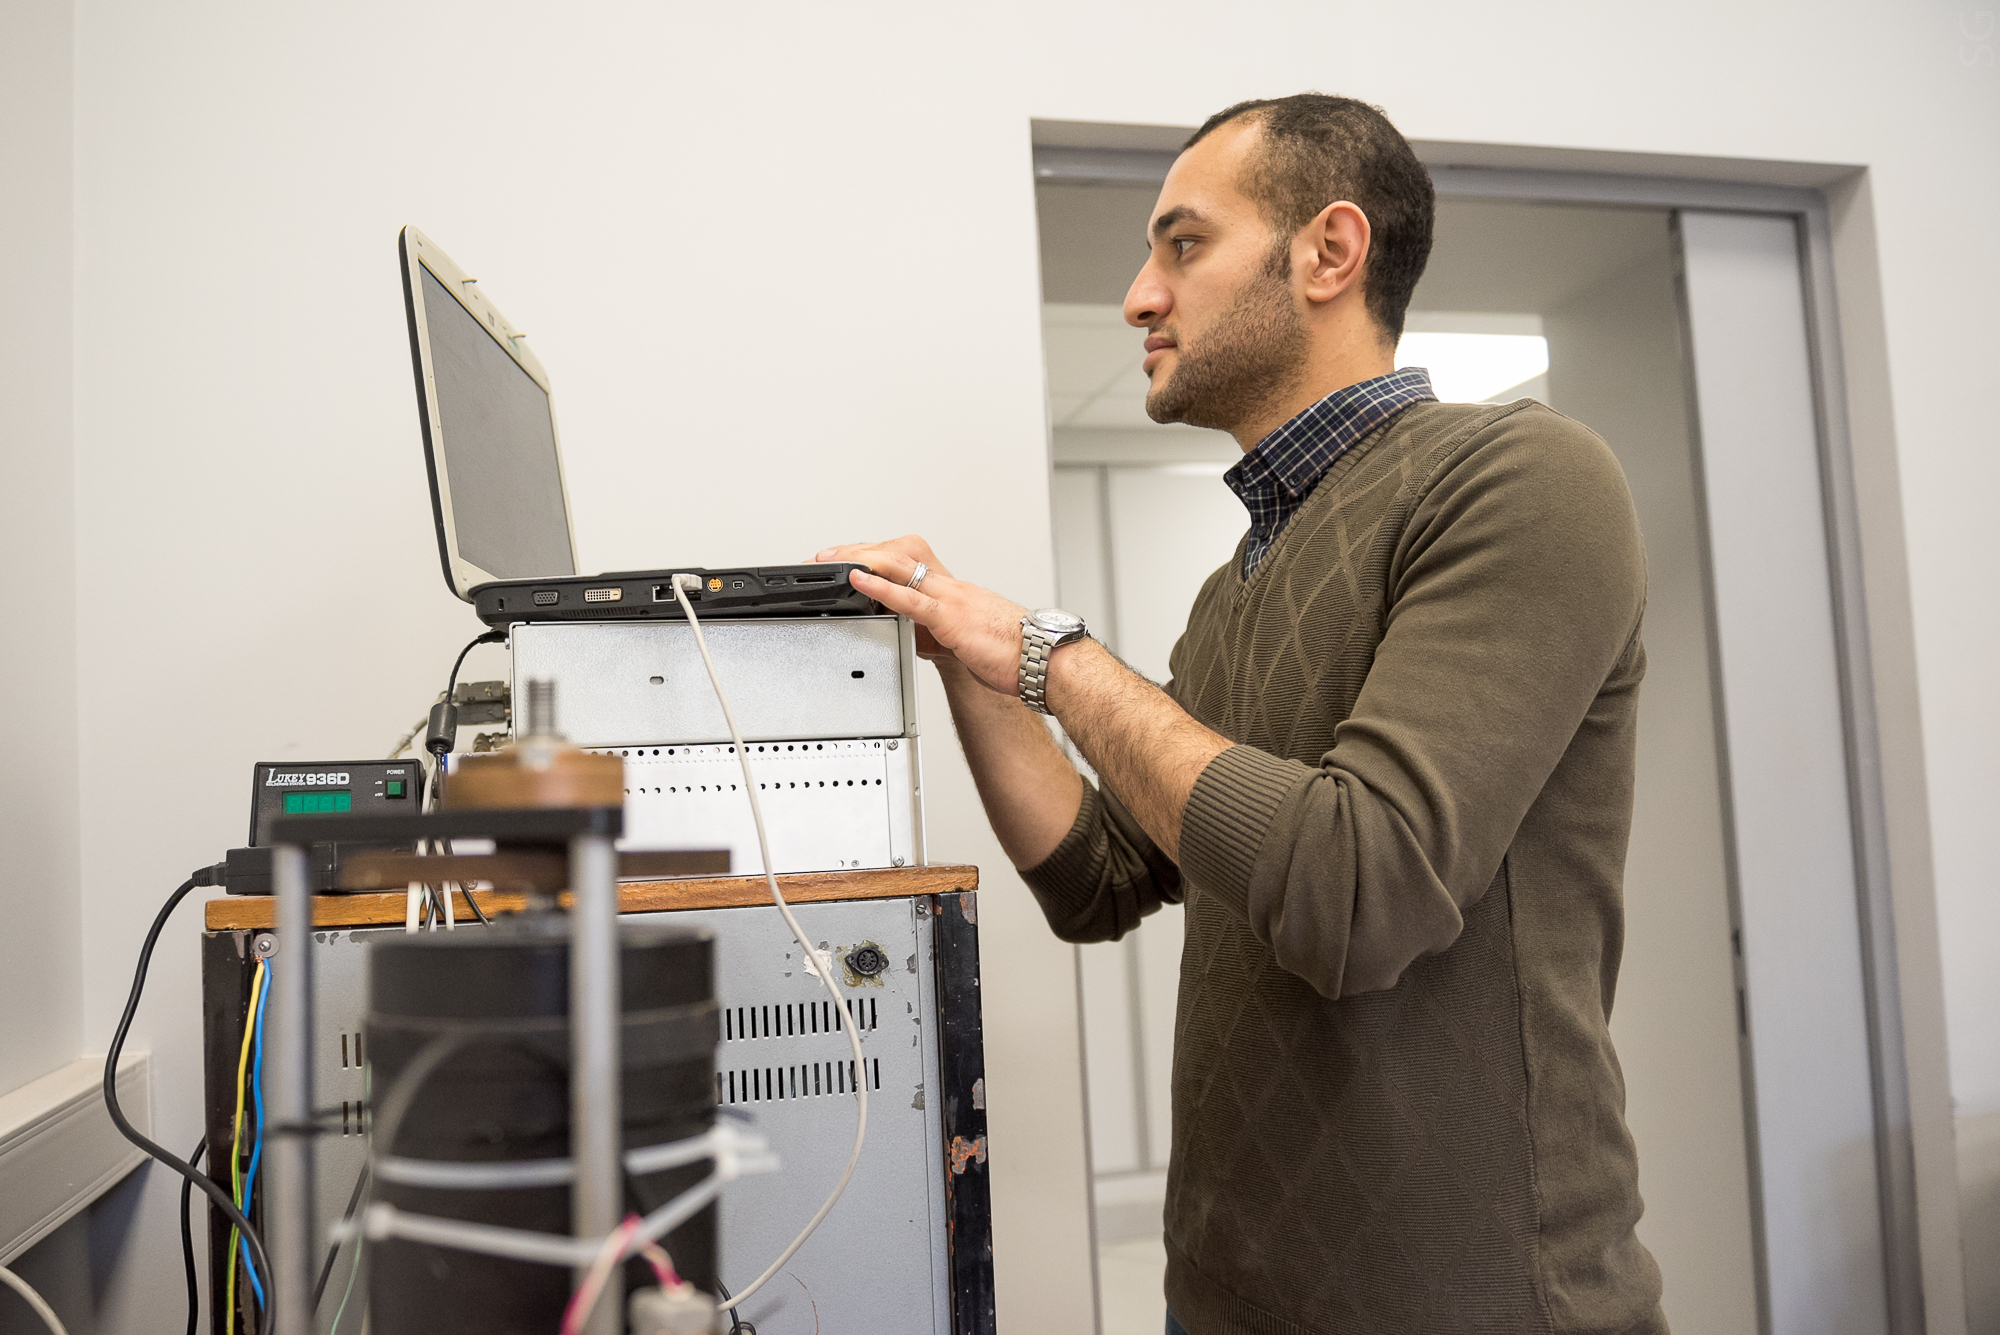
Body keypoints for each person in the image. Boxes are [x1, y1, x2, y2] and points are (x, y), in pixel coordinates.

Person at [819, 93, 1665, 1335]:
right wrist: (966, 657)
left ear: (1328, 252)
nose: (1137, 298)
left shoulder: (1518, 477)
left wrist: (1050, 656)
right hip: (1227, 1288)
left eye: (1183, 244)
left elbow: (1360, 889)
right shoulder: (1234, 589)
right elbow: (1098, 879)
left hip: (1460, 1303)